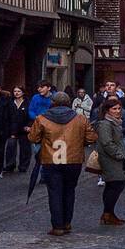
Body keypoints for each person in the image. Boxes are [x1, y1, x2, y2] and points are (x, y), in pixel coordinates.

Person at [27, 91, 96, 236]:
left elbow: (33, 137)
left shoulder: (42, 119)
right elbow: (91, 137)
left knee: (54, 192)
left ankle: (57, 225)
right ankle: (67, 223)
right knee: (69, 191)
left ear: (53, 103)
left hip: (51, 160)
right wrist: (78, 142)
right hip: (73, 160)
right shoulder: (80, 119)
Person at [96, 96, 125, 226]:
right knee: (117, 184)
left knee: (112, 185)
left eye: (119, 108)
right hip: (110, 159)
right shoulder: (105, 124)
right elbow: (106, 142)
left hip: (115, 159)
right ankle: (107, 214)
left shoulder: (115, 122)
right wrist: (119, 154)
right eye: (114, 109)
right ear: (107, 110)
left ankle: (108, 213)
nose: (117, 111)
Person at [5, 86, 31, 173]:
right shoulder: (10, 103)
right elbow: (7, 116)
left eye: (19, 91)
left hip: (24, 128)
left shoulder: (28, 103)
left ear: (23, 92)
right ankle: (10, 165)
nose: (16, 93)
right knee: (11, 147)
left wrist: (29, 126)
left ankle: (23, 166)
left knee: (25, 148)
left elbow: (30, 115)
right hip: (12, 128)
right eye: (15, 91)